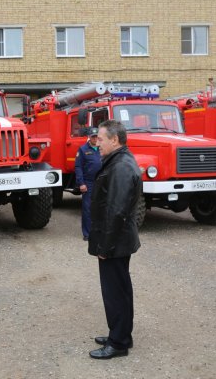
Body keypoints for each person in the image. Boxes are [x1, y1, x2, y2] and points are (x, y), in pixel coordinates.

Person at [88, 120, 142, 360]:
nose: (96, 142)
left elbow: (117, 211)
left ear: (115, 140)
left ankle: (118, 343)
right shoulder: (118, 161)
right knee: (120, 289)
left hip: (115, 243)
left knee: (115, 292)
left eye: (101, 138)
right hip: (117, 240)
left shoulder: (120, 167)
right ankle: (121, 334)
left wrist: (105, 248)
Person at [74, 127, 101, 241]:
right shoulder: (83, 149)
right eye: (93, 136)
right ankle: (87, 233)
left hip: (101, 183)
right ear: (89, 137)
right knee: (87, 209)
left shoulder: (102, 148)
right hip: (88, 183)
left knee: (100, 208)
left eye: (97, 136)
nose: (95, 139)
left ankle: (99, 231)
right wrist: (81, 183)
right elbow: (78, 167)